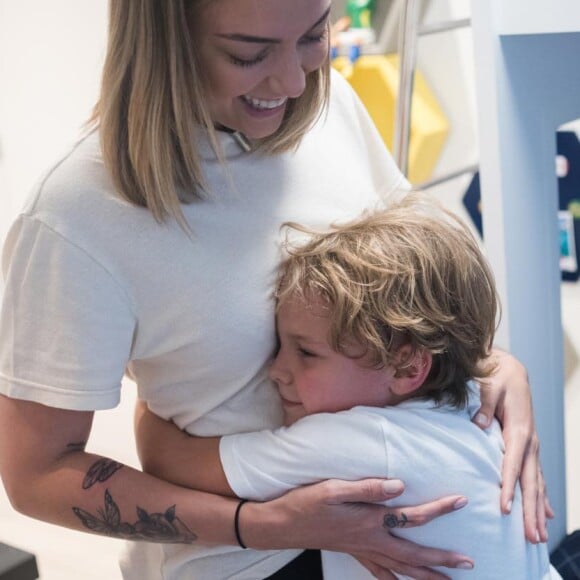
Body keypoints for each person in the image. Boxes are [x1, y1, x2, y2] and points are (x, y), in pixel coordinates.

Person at [0, 1, 548, 579]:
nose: (292, 80)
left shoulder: (332, 110)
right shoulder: (75, 217)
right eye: (248, 53)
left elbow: (413, 289)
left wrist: (495, 366)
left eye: (314, 36)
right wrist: (261, 523)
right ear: (165, 37)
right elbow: (37, 475)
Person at [136, 194, 560, 579]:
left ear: (407, 368)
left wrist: (154, 383)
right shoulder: (475, 396)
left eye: (306, 353)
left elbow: (168, 460)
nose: (276, 370)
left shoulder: (363, 440)